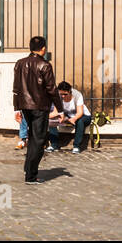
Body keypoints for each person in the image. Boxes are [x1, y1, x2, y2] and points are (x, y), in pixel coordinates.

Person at [13, 35, 61, 183]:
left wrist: (16, 108)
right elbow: (52, 89)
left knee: (32, 138)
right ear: (44, 48)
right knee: (38, 140)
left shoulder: (20, 63)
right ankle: (31, 175)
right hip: (39, 107)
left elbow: (16, 88)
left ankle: (28, 168)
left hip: (24, 106)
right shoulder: (45, 65)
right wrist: (60, 108)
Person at [49, 82, 92, 153]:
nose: (63, 96)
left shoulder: (77, 95)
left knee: (80, 121)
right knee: (52, 120)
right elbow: (55, 112)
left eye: (65, 94)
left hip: (83, 116)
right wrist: (45, 117)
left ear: (70, 91)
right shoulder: (58, 96)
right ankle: (54, 145)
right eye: (61, 94)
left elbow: (80, 113)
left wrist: (74, 119)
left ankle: (76, 146)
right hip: (67, 117)